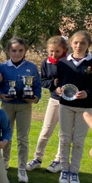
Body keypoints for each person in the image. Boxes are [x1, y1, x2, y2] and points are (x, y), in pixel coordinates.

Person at [0, 37, 41, 183]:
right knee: (6, 135)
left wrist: (35, 98)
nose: (17, 53)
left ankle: (22, 168)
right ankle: (4, 163)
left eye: (20, 50)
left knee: (23, 138)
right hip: (7, 105)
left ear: (25, 51)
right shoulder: (3, 67)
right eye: (14, 50)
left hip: (24, 105)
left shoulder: (32, 67)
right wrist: (0, 94)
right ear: (8, 51)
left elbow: (37, 87)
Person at [56, 30, 92, 183]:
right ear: (71, 43)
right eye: (76, 42)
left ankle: (74, 172)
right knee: (64, 139)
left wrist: (88, 93)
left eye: (83, 43)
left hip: (85, 109)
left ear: (89, 45)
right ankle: (64, 170)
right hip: (66, 106)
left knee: (78, 141)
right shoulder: (63, 62)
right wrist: (58, 89)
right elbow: (58, 82)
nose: (79, 46)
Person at [26, 36, 68, 173]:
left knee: (64, 133)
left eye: (57, 51)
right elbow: (43, 81)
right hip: (54, 100)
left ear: (64, 50)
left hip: (68, 102)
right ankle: (37, 159)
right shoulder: (46, 62)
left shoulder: (68, 62)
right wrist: (53, 85)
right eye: (51, 51)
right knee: (45, 131)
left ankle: (59, 160)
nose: (53, 54)